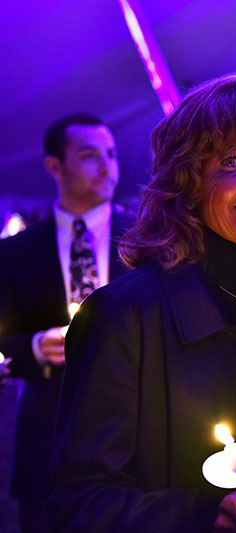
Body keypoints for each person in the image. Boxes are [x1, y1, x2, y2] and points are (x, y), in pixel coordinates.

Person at [47, 74, 236, 532]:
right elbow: (78, 499)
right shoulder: (125, 315)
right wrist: (204, 517)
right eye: (233, 162)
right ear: (186, 180)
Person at [0, 112, 132, 533]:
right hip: (46, 443)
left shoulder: (145, 237)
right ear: (54, 166)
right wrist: (36, 347)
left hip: (134, 439)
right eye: (90, 156)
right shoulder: (17, 251)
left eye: (111, 155)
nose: (108, 166)